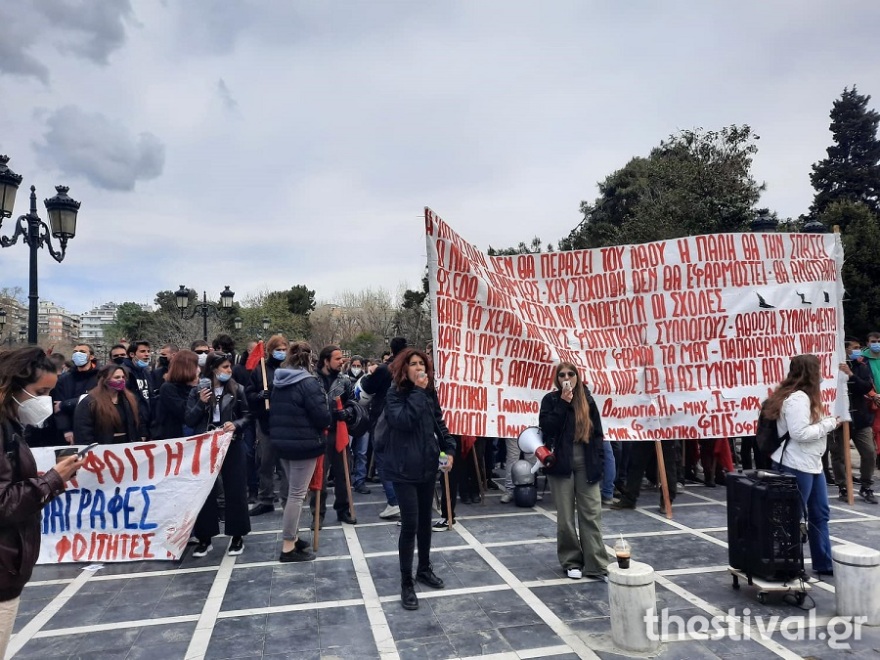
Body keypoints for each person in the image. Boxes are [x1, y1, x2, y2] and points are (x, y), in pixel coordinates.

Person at [0, 348, 82, 656]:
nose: (45, 401)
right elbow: (4, 503)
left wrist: (49, 479)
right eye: (40, 392)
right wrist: (51, 481)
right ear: (12, 386)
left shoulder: (10, 426)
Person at [383, 348, 455, 610]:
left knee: (425, 522)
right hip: (403, 469)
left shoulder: (428, 392)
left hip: (426, 467)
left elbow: (439, 423)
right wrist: (417, 392)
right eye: (413, 364)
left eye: (422, 364)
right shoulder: (395, 393)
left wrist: (449, 449)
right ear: (404, 368)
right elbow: (403, 421)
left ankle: (424, 568)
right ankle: (406, 582)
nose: (419, 368)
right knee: (410, 524)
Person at [764, 354, 839, 576]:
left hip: (811, 463)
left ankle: (823, 562)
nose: (822, 374)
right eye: (818, 369)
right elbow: (800, 433)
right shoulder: (798, 399)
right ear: (810, 373)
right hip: (796, 464)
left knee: (820, 513)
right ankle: (789, 564)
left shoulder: (803, 396)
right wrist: (829, 424)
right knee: (793, 517)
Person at [539, 363, 608, 580]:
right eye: (562, 375)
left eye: (571, 374)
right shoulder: (551, 400)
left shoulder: (587, 399)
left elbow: (597, 433)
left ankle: (596, 564)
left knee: (591, 514)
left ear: (578, 377)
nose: (566, 378)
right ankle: (571, 561)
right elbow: (547, 427)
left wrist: (599, 460)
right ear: (556, 379)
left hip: (586, 461)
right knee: (566, 517)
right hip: (561, 462)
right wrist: (563, 403)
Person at [185, 352, 252, 557]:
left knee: (236, 489)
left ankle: (237, 536)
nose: (229, 370)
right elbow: (189, 419)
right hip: (206, 446)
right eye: (225, 367)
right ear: (213, 369)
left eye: (229, 366)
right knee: (205, 491)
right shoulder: (198, 391)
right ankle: (205, 538)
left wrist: (236, 424)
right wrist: (201, 403)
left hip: (231, 443)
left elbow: (247, 416)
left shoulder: (237, 389)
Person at [269, 342, 331, 561]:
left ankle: (293, 537)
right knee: (297, 495)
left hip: (283, 443)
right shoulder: (308, 382)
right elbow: (322, 417)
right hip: (304, 444)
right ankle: (288, 547)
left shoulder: (279, 380)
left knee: (292, 493)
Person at [309, 345, 362, 527]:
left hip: (339, 432)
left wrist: (347, 412)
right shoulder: (311, 381)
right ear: (326, 361)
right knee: (319, 477)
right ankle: (318, 514)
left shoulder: (344, 381)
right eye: (337, 359)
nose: (342, 362)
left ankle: (343, 509)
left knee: (343, 473)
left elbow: (354, 403)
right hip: (318, 434)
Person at [247, 334, 290, 515]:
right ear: (270, 351)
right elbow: (248, 394)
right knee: (265, 463)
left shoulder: (288, 370)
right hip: (265, 423)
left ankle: (288, 500)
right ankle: (266, 498)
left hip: (285, 423)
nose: (282, 353)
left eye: (284, 349)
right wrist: (259, 396)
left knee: (285, 465)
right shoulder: (260, 370)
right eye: (278, 350)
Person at [830, 339, 877, 503]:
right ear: (845, 349)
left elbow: (866, 387)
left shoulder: (861, 366)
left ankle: (866, 485)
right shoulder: (831, 367)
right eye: (855, 348)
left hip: (860, 419)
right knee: (838, 455)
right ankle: (843, 486)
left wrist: (851, 375)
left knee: (869, 452)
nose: (858, 350)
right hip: (839, 420)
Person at [73, 364, 146, 444]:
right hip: (102, 447)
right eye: (117, 377)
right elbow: (83, 431)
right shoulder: (90, 402)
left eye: (123, 377)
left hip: (127, 446)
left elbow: (139, 421)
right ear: (105, 380)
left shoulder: (130, 399)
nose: (121, 380)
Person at [51, 342, 99, 445]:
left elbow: (97, 400)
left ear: (91, 356)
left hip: (94, 428)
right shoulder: (64, 379)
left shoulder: (100, 377)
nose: (78, 354)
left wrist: (66, 404)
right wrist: (66, 429)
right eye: (75, 352)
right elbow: (57, 407)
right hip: (70, 432)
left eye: (82, 351)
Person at [154, 350, 199, 440]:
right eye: (196, 366)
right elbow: (185, 412)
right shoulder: (168, 388)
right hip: (174, 436)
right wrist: (193, 388)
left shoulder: (194, 386)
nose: (198, 369)